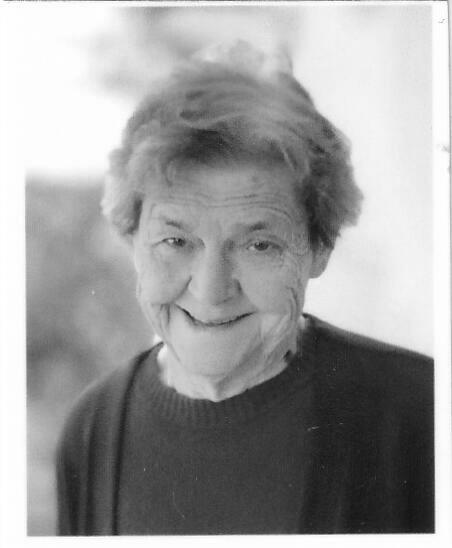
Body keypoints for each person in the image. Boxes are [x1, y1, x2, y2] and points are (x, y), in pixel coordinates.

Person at [56, 41, 434, 535]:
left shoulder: (426, 411)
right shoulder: (91, 430)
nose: (211, 291)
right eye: (175, 241)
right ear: (132, 240)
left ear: (319, 248)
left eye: (259, 245)